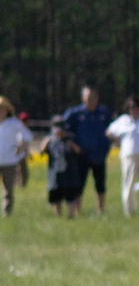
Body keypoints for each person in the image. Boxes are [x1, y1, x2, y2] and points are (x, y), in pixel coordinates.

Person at [58, 86, 109, 216]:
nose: (91, 100)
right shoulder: (75, 113)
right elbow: (62, 129)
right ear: (83, 98)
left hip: (99, 154)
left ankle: (100, 211)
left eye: (93, 97)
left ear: (97, 98)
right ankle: (77, 211)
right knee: (79, 184)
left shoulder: (103, 113)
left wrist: (108, 145)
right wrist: (72, 144)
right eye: (88, 97)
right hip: (81, 155)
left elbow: (112, 129)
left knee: (100, 184)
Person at [106, 96, 139, 215]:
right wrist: (117, 141)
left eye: (137, 107)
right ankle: (129, 211)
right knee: (128, 183)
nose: (134, 110)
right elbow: (109, 132)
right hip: (129, 156)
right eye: (131, 107)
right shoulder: (123, 120)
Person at [45, 115, 83, 216]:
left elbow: (79, 151)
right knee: (56, 197)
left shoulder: (71, 138)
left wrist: (72, 145)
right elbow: (42, 151)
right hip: (55, 175)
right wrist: (46, 143)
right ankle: (58, 216)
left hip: (69, 175)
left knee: (71, 197)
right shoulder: (50, 140)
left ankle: (72, 215)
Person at [0, 98, 26, 214]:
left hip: (9, 161)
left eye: (2, 109)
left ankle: (7, 212)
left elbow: (27, 135)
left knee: (8, 188)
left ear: (7, 111)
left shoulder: (13, 123)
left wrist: (21, 147)